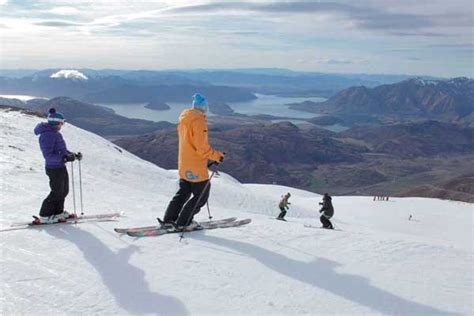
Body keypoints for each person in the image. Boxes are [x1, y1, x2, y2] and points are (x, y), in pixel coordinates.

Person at [158, 93, 225, 231]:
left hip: (184, 163)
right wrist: (217, 156)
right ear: (202, 106)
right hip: (196, 166)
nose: (206, 108)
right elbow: (201, 147)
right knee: (201, 196)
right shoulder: (199, 121)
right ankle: (184, 222)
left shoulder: (185, 118)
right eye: (205, 106)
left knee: (183, 193)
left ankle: (169, 219)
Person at [34, 108, 82, 224]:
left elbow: (62, 150)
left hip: (60, 166)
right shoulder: (47, 135)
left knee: (64, 191)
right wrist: (64, 158)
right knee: (56, 192)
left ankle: (58, 212)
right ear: (56, 123)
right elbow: (48, 155)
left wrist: (72, 155)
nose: (62, 125)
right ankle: (45, 215)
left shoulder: (55, 134)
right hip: (53, 168)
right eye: (62, 123)